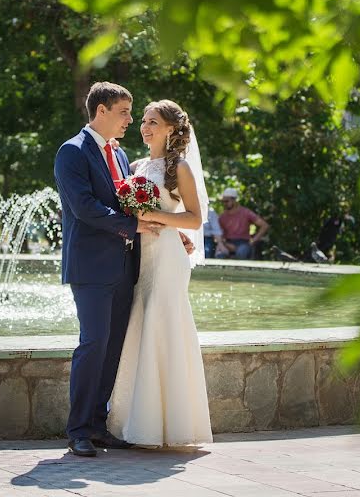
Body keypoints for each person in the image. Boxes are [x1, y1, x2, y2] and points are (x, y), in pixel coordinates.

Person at [54, 81, 164, 457]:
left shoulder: (119, 155)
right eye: (123, 113)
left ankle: (98, 425)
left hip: (123, 266)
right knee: (94, 343)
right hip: (90, 267)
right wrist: (134, 225)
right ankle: (79, 429)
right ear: (100, 111)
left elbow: (128, 204)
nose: (130, 121)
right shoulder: (71, 152)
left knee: (113, 346)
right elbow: (84, 207)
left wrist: (162, 229)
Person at [107, 99, 213, 448]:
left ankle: (173, 426)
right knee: (141, 326)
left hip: (167, 259)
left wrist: (158, 219)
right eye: (144, 121)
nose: (145, 127)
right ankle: (139, 422)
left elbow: (195, 219)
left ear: (171, 128)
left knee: (163, 326)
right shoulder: (136, 165)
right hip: (141, 258)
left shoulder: (178, 167)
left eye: (153, 121)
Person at [216, 188, 269, 259]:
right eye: (223, 201)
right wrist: (225, 244)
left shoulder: (246, 213)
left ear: (234, 200)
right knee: (220, 255)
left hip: (244, 243)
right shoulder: (222, 216)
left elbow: (264, 226)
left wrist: (253, 241)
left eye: (226, 201)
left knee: (241, 253)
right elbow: (218, 233)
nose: (224, 203)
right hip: (227, 242)